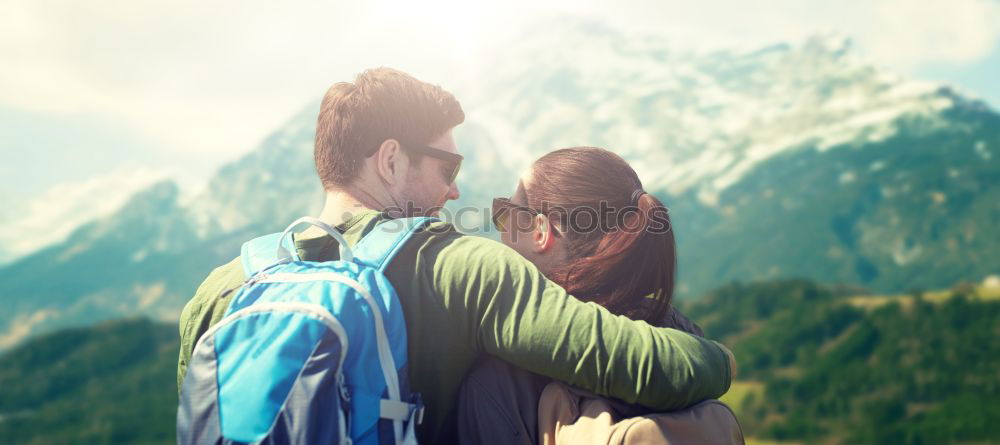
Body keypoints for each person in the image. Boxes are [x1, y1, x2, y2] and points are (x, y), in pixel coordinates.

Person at [176, 68, 736, 444]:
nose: (455, 194)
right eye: (449, 169)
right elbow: (646, 367)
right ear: (391, 160)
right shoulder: (464, 269)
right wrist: (724, 362)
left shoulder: (220, 291)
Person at [457, 147, 727, 445]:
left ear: (539, 231)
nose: (501, 233)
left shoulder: (500, 378)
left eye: (506, 214)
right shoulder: (681, 338)